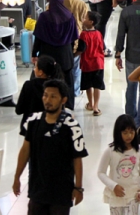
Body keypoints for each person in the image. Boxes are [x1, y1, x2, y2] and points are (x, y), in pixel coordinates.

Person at [12, 79, 88, 214]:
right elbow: (25, 151)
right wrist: (17, 177)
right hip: (37, 189)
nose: (47, 100)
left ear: (63, 100)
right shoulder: (33, 121)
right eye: (45, 95)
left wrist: (78, 187)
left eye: (53, 96)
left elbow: (77, 158)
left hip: (61, 193)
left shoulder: (71, 126)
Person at [32, 0, 79, 110]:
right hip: (65, 56)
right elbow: (73, 38)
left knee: (45, 82)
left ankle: (45, 106)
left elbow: (38, 37)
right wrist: (71, 52)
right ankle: (68, 107)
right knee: (67, 82)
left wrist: (34, 53)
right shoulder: (69, 16)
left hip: (47, 56)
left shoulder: (43, 17)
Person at [97, 114, 140, 214]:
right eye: (125, 133)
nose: (129, 136)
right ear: (118, 133)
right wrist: (113, 186)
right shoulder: (110, 151)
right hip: (116, 196)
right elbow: (101, 172)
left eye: (131, 132)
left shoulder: (139, 150)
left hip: (133, 195)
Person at [15, 55, 64, 129]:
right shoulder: (58, 87)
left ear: (41, 72)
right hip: (51, 126)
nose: (34, 70)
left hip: (30, 127)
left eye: (35, 67)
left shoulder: (29, 85)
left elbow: (19, 110)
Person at [60, 0, 88, 97]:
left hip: (58, 40)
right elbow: (85, 21)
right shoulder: (80, 4)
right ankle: (75, 91)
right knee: (75, 67)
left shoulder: (56, 3)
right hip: (75, 40)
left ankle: (61, 90)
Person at [75, 11, 105, 116]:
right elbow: (103, 48)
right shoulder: (99, 34)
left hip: (87, 64)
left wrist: (73, 56)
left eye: (85, 18)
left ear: (91, 22)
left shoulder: (83, 34)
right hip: (98, 63)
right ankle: (96, 107)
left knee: (88, 85)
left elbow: (81, 49)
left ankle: (90, 104)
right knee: (97, 85)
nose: (83, 20)